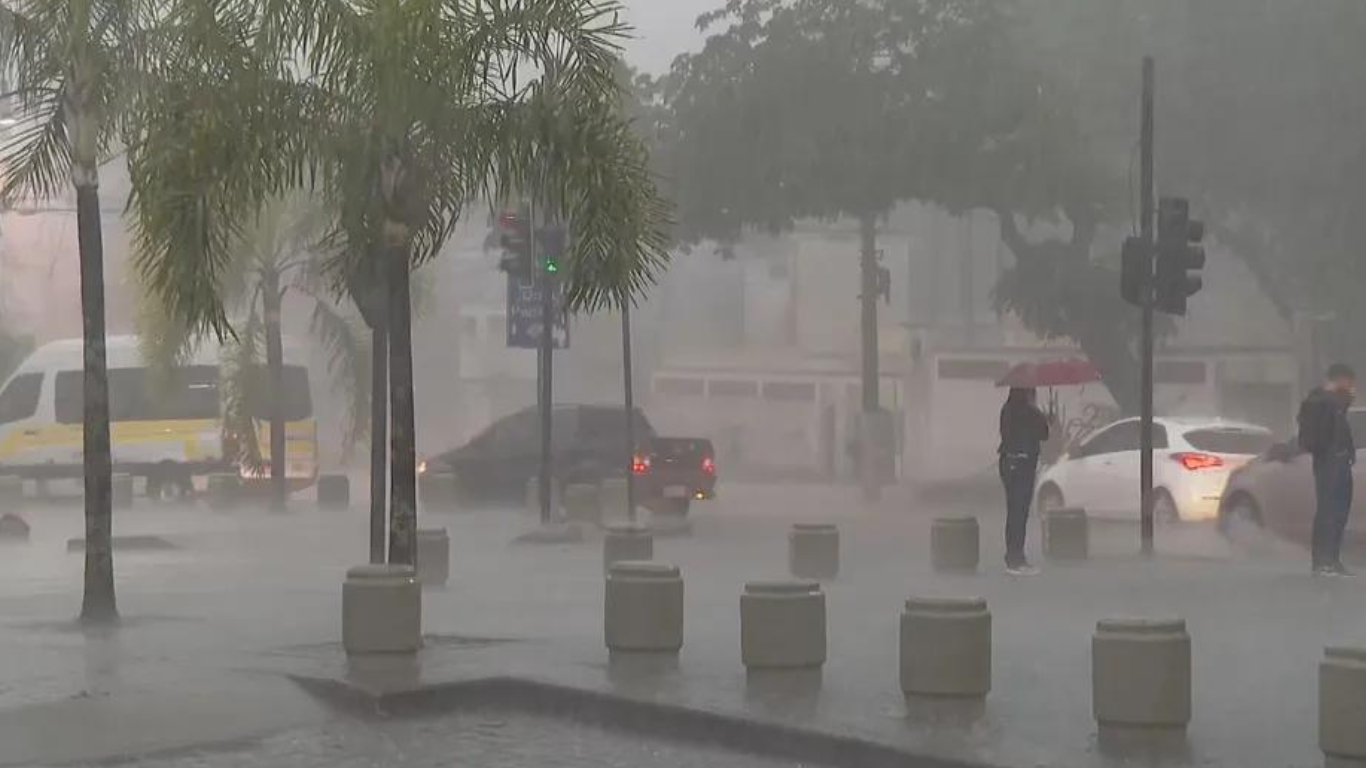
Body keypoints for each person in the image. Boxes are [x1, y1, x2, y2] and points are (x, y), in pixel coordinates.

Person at [1298, 363, 1357, 577]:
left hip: (1340, 462)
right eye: (1349, 381)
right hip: (1328, 462)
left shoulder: (1335, 403)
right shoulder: (1321, 400)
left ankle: (1332, 558)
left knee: (1340, 512)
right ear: (1340, 379)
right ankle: (1322, 561)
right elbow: (1322, 434)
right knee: (1328, 511)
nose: (1352, 387)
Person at [999, 387, 1050, 575]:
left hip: (1009, 463)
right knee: (1019, 512)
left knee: (1014, 511)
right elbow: (1044, 434)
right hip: (1022, 465)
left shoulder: (1007, 410)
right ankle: (1016, 558)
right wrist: (1041, 415)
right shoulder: (1030, 412)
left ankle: (1013, 555)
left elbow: (1006, 434)